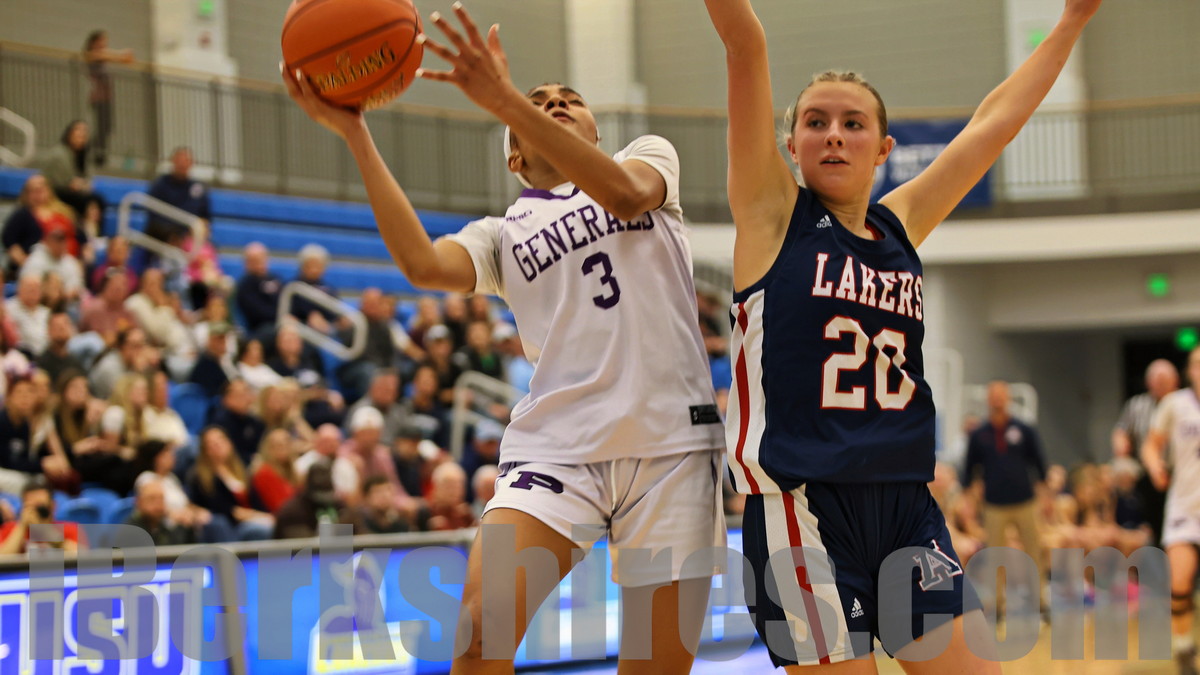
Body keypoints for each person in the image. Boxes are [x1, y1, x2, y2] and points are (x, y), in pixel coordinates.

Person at [283, 6, 726, 672]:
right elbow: (422, 265)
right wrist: (355, 132)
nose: (556, 104)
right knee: (478, 635)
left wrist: (505, 99)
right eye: (539, 103)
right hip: (558, 445)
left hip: (670, 442)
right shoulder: (500, 234)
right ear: (516, 157)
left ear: (595, 131)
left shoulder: (646, 159)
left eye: (569, 100)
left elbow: (627, 197)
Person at [704, 0, 1104, 669]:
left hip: (906, 507)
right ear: (790, 146)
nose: (834, 135)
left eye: (853, 123)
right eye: (815, 122)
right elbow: (745, 44)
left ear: (884, 148)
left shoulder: (901, 224)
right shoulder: (773, 218)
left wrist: (1070, 22)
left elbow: (993, 125)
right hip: (801, 507)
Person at [964, 380, 1048, 613]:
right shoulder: (979, 434)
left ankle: (1039, 601)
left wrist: (1044, 493)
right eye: (994, 396)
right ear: (988, 400)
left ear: (1008, 398)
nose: (997, 400)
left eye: (1001, 396)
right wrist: (970, 496)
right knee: (995, 556)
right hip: (994, 504)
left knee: (1033, 551)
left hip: (1025, 501)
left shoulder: (1023, 429)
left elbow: (1039, 462)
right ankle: (997, 605)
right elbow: (969, 470)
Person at [1142, 346, 1200, 674]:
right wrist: (1154, 466)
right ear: (1190, 371)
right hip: (1186, 506)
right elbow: (1151, 444)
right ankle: (1183, 648)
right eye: (1198, 365)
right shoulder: (1175, 405)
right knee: (1179, 582)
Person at [1114, 358, 1179, 546]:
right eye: (1156, 380)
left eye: (1164, 380)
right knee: (1152, 516)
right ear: (1148, 382)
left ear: (1175, 381)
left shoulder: (1185, 403)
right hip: (1147, 472)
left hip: (1181, 471)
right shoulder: (1137, 405)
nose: (1160, 385)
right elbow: (1122, 432)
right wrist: (1122, 452)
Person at [2, 174, 79, 276]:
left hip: (63, 267)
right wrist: (28, 265)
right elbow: (9, 241)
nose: (38, 194)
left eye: (41, 189)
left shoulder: (63, 214)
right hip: (33, 268)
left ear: (49, 190)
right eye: (33, 191)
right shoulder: (22, 215)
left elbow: (79, 238)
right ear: (26, 194)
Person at [83, 30, 132, 167]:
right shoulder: (92, 55)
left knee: (107, 128)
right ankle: (90, 152)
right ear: (94, 42)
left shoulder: (103, 56)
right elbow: (103, 55)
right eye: (102, 42)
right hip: (99, 99)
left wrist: (123, 56)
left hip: (107, 99)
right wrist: (121, 55)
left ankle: (98, 154)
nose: (104, 45)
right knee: (102, 128)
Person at [38, 121, 104, 218]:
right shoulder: (58, 154)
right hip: (56, 192)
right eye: (78, 133)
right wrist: (75, 184)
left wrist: (82, 185)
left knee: (97, 200)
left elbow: (88, 180)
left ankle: (91, 227)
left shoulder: (84, 156)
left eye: (84, 134)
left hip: (74, 193)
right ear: (69, 134)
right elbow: (60, 182)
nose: (81, 136)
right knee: (87, 201)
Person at [0, 477, 83, 554]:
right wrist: (22, 526)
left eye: (41, 507)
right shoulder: (10, 529)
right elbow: (3, 559)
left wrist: (45, 531)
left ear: (53, 506)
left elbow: (81, 557)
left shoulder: (69, 529)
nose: (36, 513)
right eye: (31, 507)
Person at [146, 147, 211, 243]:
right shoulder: (160, 185)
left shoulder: (198, 188)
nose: (182, 164)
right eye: (179, 160)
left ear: (192, 163)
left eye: (186, 161)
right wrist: (173, 233)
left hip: (190, 236)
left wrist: (200, 228)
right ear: (173, 161)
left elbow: (205, 216)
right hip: (163, 236)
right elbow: (154, 214)